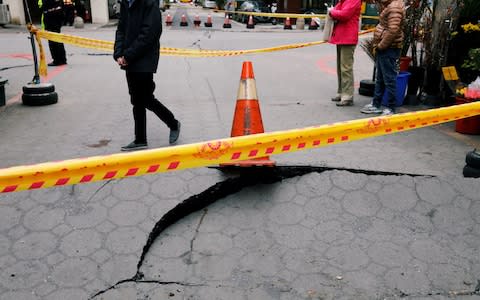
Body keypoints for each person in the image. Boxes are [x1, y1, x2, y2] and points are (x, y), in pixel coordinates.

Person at [114, 0, 181, 151]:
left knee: (146, 98)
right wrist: (118, 53)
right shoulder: (126, 3)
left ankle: (173, 123)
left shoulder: (149, 3)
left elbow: (149, 34)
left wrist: (128, 55)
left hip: (144, 59)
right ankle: (140, 140)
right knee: (136, 99)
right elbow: (121, 29)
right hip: (129, 59)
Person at [360, 0, 405, 115]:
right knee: (380, 77)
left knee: (389, 78)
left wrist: (381, 45)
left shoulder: (394, 7)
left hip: (389, 48)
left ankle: (391, 108)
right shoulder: (390, 5)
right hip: (386, 47)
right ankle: (376, 104)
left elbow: (393, 30)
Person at [328, 0, 362, 107]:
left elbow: (344, 15)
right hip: (342, 36)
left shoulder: (353, 0)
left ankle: (347, 96)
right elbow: (337, 11)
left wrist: (331, 12)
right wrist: (333, 12)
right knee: (340, 67)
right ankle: (341, 92)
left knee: (345, 68)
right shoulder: (344, 1)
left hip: (348, 37)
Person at [42, 0, 67, 66]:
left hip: (51, 19)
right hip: (57, 18)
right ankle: (62, 59)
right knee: (58, 40)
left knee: (53, 41)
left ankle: (57, 60)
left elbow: (45, 7)